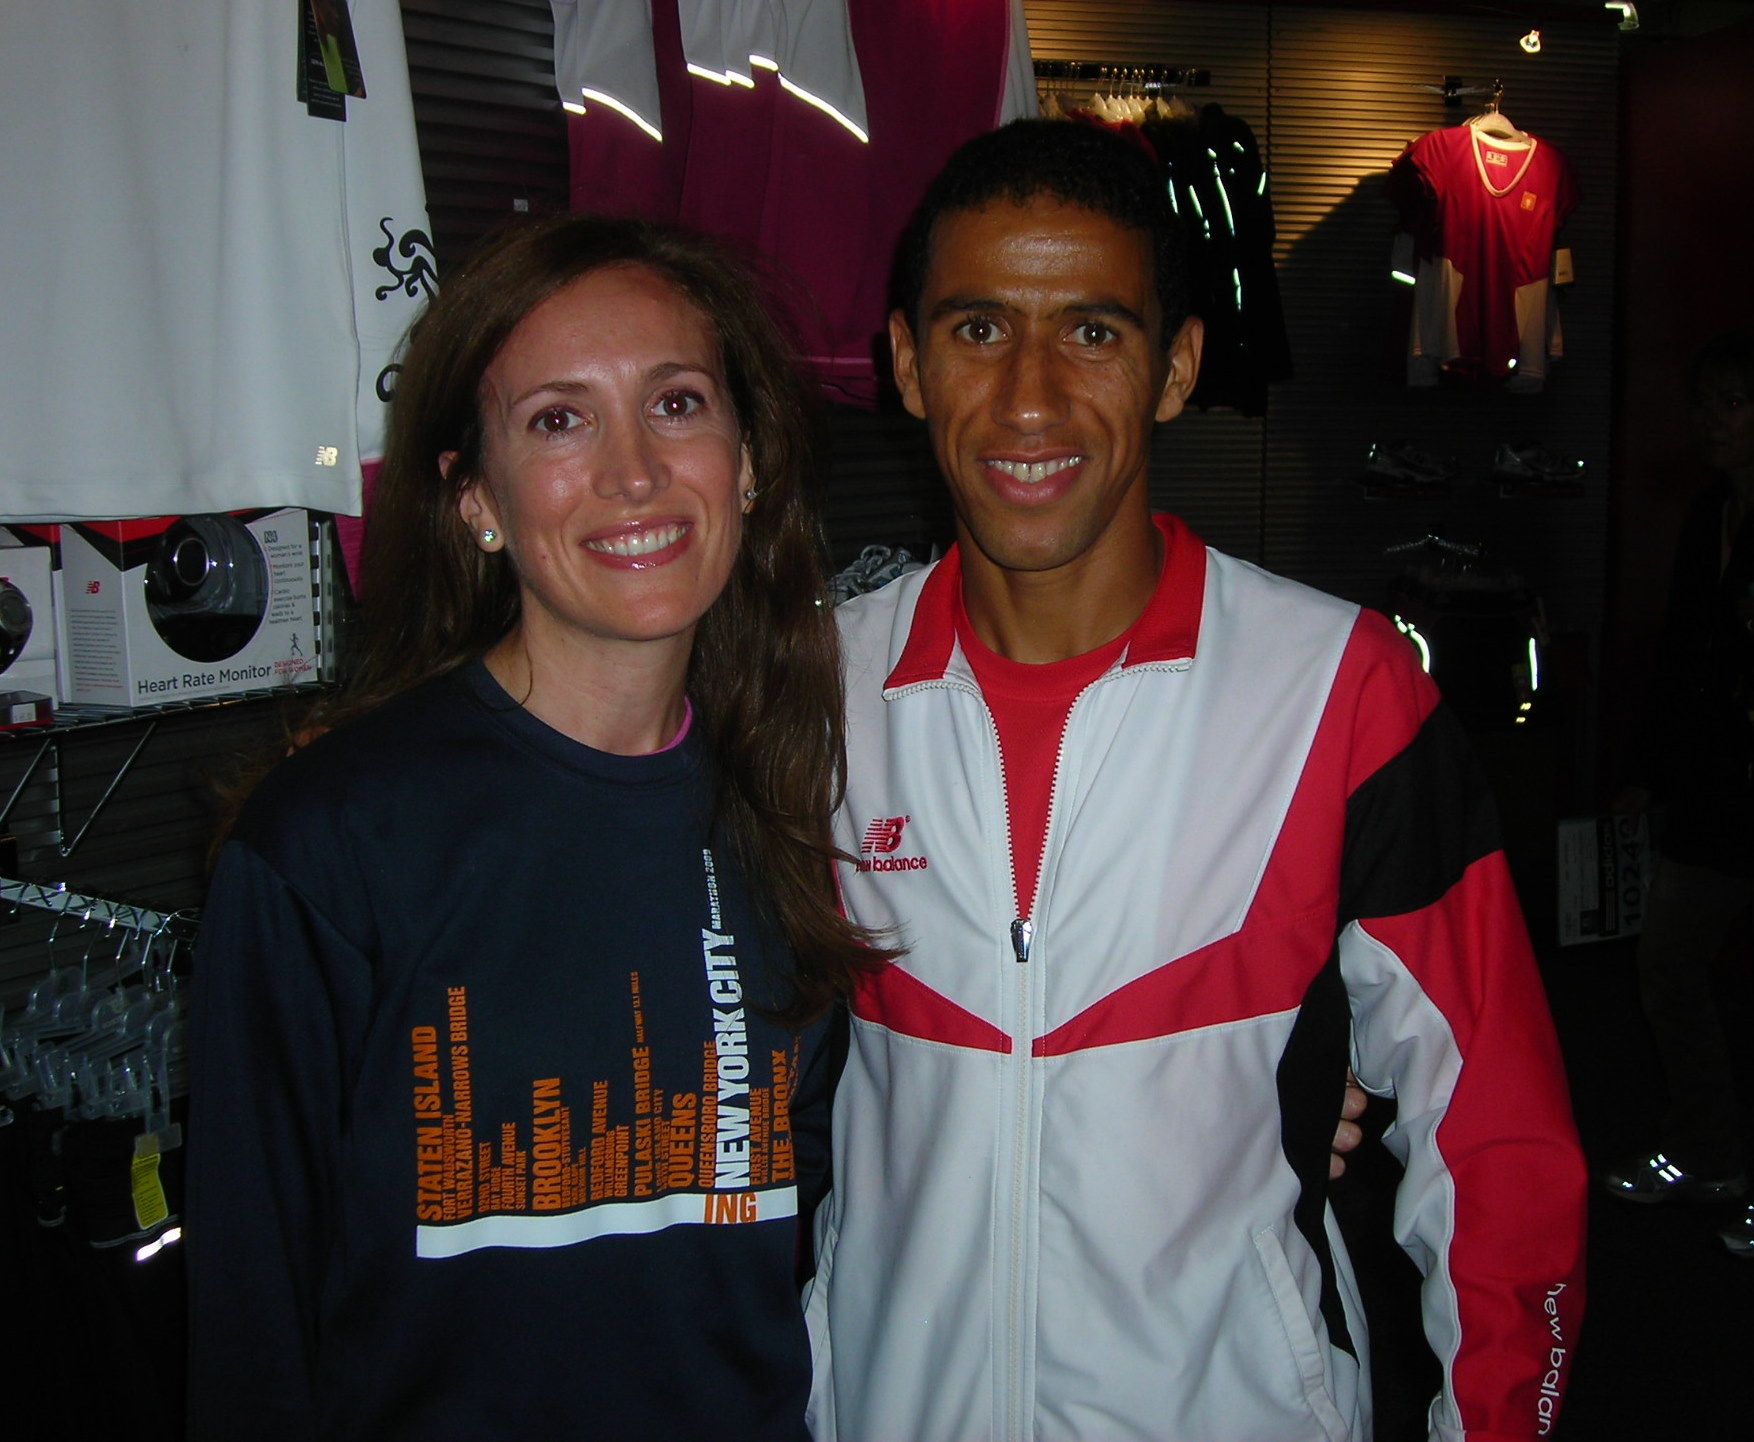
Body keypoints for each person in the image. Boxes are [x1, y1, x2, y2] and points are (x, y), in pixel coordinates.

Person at [804, 120, 1588, 1441]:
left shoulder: (1339, 692)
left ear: (1174, 366)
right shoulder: (812, 697)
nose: (1030, 397)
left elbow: (1494, 1136)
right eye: (978, 329)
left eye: (1091, 332)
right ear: (906, 363)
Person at [183, 214, 889, 1439]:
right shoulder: (334, 839)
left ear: (746, 460)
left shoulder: (801, 804)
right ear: (476, 500)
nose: (634, 471)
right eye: (559, 420)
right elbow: (251, 1321)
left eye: (676, 403)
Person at [1604, 330, 1754, 1257]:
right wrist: (1647, 772)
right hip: (1714, 793)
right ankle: (1707, 1149)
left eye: (1732, 403)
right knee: (1668, 965)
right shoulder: (1710, 515)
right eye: (1705, 404)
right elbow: (1684, 658)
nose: (1712, 422)